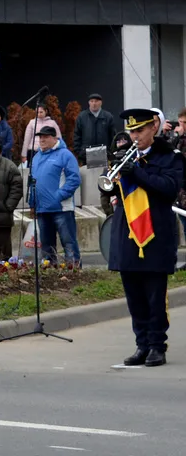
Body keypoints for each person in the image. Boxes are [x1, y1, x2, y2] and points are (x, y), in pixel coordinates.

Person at [109, 108, 184, 367]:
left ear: (154, 127)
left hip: (156, 233)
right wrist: (111, 181)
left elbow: (168, 189)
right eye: (131, 132)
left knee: (155, 296)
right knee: (134, 296)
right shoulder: (125, 155)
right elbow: (113, 190)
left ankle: (156, 346)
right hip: (128, 232)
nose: (135, 136)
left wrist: (137, 172)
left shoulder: (170, 156)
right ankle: (141, 344)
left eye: (139, 130)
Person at [28, 125, 82, 265]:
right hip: (42, 209)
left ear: (54, 138)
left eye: (45, 137)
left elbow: (74, 179)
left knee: (68, 243)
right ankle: (50, 272)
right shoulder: (36, 157)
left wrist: (58, 196)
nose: (42, 140)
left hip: (61, 209)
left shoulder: (66, 155)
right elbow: (32, 182)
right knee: (46, 247)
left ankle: (74, 271)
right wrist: (32, 203)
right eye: (40, 137)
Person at [74, 93, 117, 165]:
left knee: (103, 172)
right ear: (89, 103)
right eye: (92, 101)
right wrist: (79, 152)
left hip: (104, 154)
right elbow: (77, 135)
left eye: (96, 101)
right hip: (86, 155)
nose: (94, 104)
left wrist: (110, 152)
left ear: (101, 103)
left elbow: (113, 135)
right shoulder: (82, 117)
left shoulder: (108, 117)